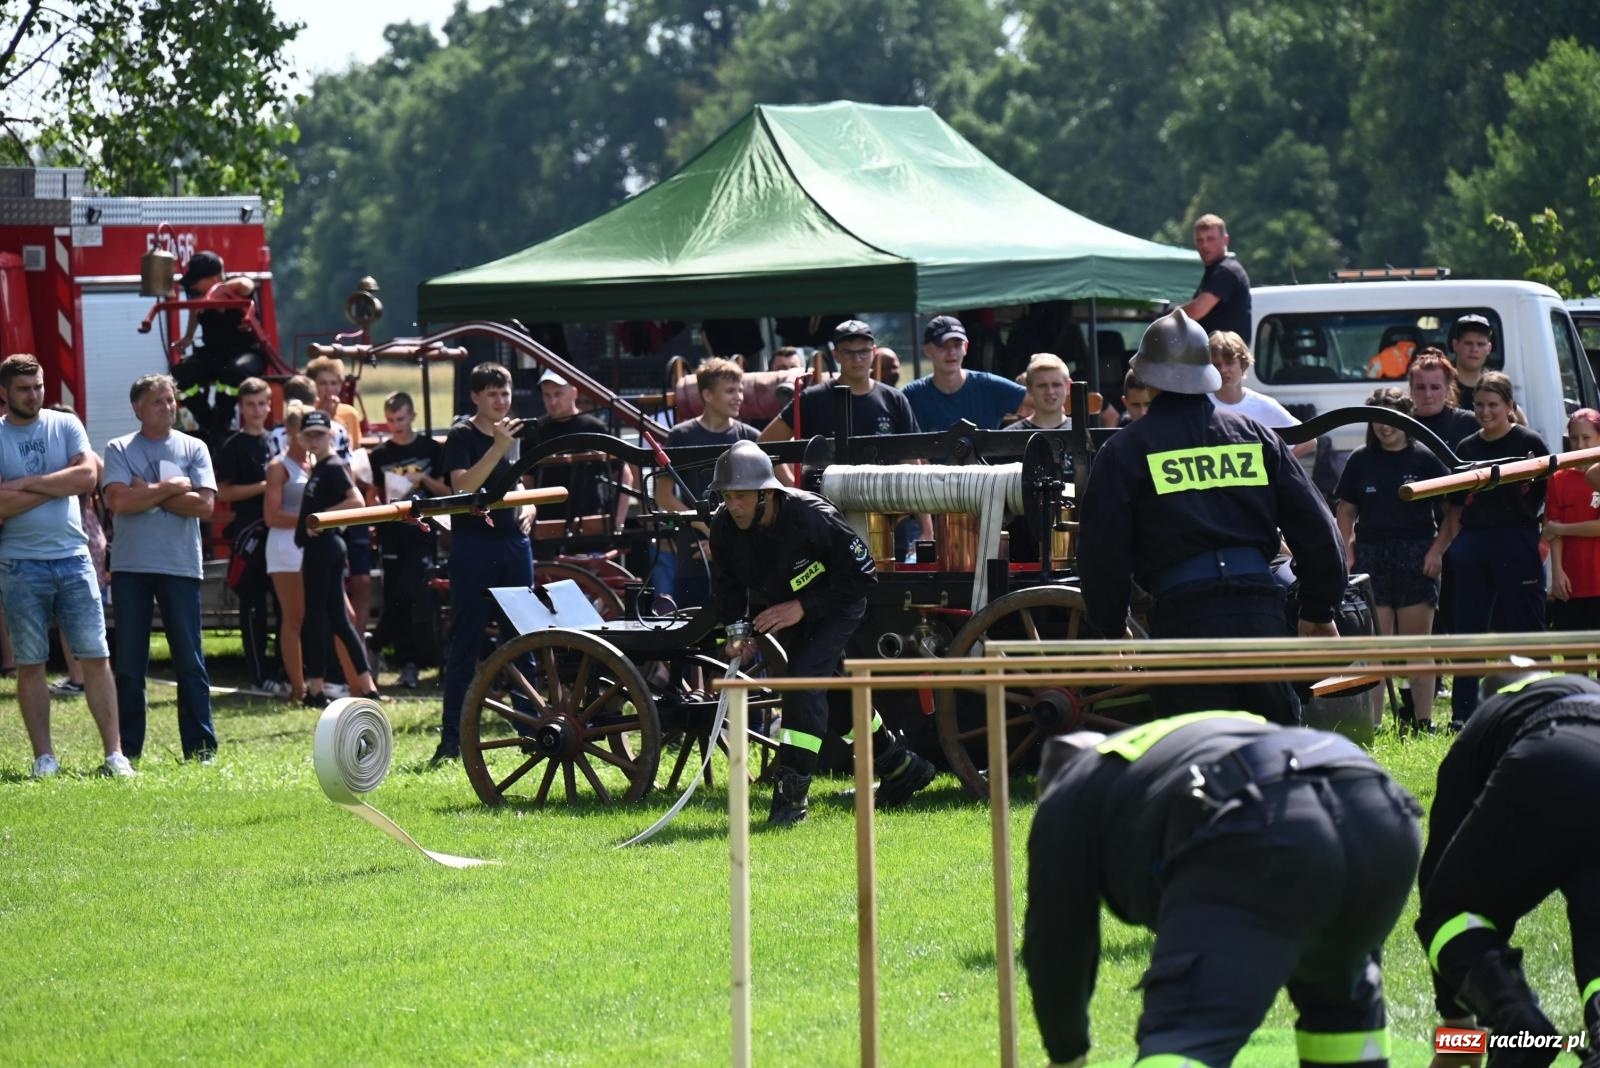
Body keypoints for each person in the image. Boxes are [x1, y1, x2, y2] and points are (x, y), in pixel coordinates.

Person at [1025, 713, 1422, 1068]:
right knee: (1341, 1014)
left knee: (1186, 1037)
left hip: (1258, 826)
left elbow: (1057, 940)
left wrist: (1067, 1052)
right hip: (1378, 808)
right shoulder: (1170, 740)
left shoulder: (1066, 798)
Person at [1077, 308, 1346, 725]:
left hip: (1184, 622)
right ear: (1208, 372)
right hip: (1260, 615)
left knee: (1196, 762)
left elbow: (1102, 553)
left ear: (1146, 378)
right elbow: (1318, 528)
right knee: (1278, 761)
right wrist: (1318, 609)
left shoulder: (1125, 451)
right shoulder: (1254, 435)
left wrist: (1111, 629)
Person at [710, 440, 935, 824]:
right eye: (728, 497)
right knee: (831, 691)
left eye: (742, 497)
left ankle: (791, 801)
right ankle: (900, 767)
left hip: (838, 605)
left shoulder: (813, 516)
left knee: (803, 685)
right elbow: (729, 588)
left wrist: (804, 607)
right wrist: (736, 634)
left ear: (767, 494)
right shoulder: (723, 528)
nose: (733, 506)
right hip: (790, 611)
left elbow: (863, 576)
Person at [1413, 671, 1600, 1066]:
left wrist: (1457, 1025)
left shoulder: (1480, 729)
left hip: (1552, 753)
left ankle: (1520, 1026)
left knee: (1446, 916)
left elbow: (1442, 886)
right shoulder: (1582, 689)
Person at [0, 355, 132, 778]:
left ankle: (114, 755)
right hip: (20, 564)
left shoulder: (65, 424)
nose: (34, 395)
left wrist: (20, 485)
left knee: (96, 655)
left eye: (38, 386)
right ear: (4, 393)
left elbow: (86, 479)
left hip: (74, 559)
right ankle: (45, 758)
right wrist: (56, 483)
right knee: (31, 663)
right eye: (24, 389)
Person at [103, 374, 219, 763]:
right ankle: (127, 752)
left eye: (170, 400)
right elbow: (119, 501)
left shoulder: (195, 447)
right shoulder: (118, 448)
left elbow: (204, 507)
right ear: (137, 408)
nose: (168, 407)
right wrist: (172, 489)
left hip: (180, 566)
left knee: (190, 661)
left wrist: (147, 492)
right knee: (131, 664)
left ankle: (201, 749)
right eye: (158, 401)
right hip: (131, 568)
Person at [1333, 388, 1453, 730]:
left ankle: (1423, 721)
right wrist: (1347, 552)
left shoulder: (1426, 459)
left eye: (1389, 420)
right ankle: (1374, 724)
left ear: (1405, 418)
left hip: (1417, 552)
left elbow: (1453, 511)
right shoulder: (1361, 459)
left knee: (1416, 647)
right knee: (1375, 648)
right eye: (1376, 421)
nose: (1383, 428)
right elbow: (1346, 510)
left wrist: (1437, 551)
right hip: (1373, 555)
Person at [435, 362, 536, 765]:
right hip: (474, 546)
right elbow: (463, 487)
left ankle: (531, 730)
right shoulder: (462, 435)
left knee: (522, 641)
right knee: (466, 644)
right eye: (493, 393)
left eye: (506, 392)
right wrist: (496, 446)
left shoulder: (510, 434)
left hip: (513, 543)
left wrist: (529, 505)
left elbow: (518, 482)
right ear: (475, 396)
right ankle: (452, 739)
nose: (501, 400)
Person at [1441, 372, 1548, 726]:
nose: (1486, 412)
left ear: (1509, 407)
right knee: (1468, 629)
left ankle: (1541, 702)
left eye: (1493, 405)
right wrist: (1455, 546)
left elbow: (1546, 497)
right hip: (1474, 541)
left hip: (1517, 538)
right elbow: (1454, 505)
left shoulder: (1529, 442)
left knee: (1526, 625)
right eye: (1479, 405)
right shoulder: (1467, 447)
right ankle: (1464, 713)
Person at [655, 358, 759, 610]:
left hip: (741, 554)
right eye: (730, 391)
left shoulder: (749, 437)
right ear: (708, 395)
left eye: (740, 390)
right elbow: (663, 496)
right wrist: (708, 529)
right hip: (694, 554)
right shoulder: (681, 435)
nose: (739, 397)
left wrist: (723, 540)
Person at [294, 410, 381, 707]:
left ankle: (316, 689)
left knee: (317, 619)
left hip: (325, 547)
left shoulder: (332, 466)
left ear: (330, 436)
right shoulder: (319, 468)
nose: (314, 440)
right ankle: (367, 687)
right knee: (339, 620)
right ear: (302, 438)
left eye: (320, 434)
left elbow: (356, 500)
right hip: (323, 548)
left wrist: (321, 520)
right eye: (310, 435)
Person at [368, 391, 447, 688]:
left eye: (400, 419)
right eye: (389, 420)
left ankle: (376, 644)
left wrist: (423, 480)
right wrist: (378, 505)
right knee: (397, 597)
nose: (395, 425)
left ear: (412, 416)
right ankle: (406, 661)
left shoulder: (431, 449)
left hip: (423, 532)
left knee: (412, 592)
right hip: (392, 532)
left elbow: (446, 490)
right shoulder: (380, 455)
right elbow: (372, 494)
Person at [215, 377, 288, 696]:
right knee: (254, 607)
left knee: (286, 608)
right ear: (241, 408)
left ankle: (286, 670)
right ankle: (259, 675)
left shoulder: (279, 441)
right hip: (250, 536)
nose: (257, 410)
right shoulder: (234, 446)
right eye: (250, 405)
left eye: (262, 404)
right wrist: (265, 486)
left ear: (270, 406)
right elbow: (223, 491)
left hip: (281, 532)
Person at [304, 356, 373, 640]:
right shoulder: (305, 415)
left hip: (348, 497)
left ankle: (358, 641)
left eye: (334, 383)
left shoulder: (349, 415)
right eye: (322, 383)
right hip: (321, 506)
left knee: (361, 579)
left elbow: (352, 458)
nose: (328, 390)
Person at [172, 250, 266, 440]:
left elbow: (246, 284)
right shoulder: (199, 295)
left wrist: (218, 292)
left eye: (197, 280)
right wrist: (188, 336)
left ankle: (222, 421)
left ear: (214, 278)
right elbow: (194, 310)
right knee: (179, 376)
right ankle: (209, 423)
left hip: (246, 353)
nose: (193, 286)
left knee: (232, 373)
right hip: (214, 354)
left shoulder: (237, 288)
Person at [527, 368, 633, 531]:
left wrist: (617, 522)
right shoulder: (535, 431)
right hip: (546, 528)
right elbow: (527, 483)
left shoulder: (594, 428)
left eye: (558, 394)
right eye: (547, 395)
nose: (552, 401)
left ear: (574, 393)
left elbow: (624, 475)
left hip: (592, 526)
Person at [902, 315, 1026, 432]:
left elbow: (1038, 402)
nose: (951, 352)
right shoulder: (911, 395)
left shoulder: (990, 386)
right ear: (927, 350)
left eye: (957, 345)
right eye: (942, 346)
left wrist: (1011, 439)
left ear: (966, 347)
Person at [265, 403, 314, 700]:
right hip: (285, 546)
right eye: (303, 432)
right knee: (293, 617)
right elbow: (271, 516)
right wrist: (312, 521)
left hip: (308, 545)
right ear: (291, 432)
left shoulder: (315, 462)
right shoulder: (278, 466)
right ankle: (298, 688)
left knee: (318, 614)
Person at [1209, 330, 1316, 458]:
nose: (1223, 370)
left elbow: (1309, 440)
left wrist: (1277, 467)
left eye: (1229, 362)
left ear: (1243, 363)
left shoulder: (1263, 405)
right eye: (1216, 365)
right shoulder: (1201, 405)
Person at [1544, 409, 1600, 633]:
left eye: (1586, 438)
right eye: (1574, 438)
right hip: (1570, 579)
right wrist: (1557, 571)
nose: (1580, 445)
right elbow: (1551, 529)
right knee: (1572, 653)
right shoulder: (1559, 478)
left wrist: (1561, 528)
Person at [1180, 212, 1252, 339]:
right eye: (1200, 240)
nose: (1204, 245)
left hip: (1226, 356)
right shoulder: (1215, 271)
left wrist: (1168, 317)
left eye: (1210, 239)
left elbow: (1197, 310)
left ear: (1225, 240)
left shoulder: (1226, 271)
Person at [1407, 350, 1480, 455]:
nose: (1428, 395)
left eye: (1435, 388)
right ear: (1411, 389)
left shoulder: (1471, 423)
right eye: (1420, 388)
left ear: (1447, 389)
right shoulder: (1402, 426)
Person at [1004, 354, 1071, 430]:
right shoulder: (1010, 435)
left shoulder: (1082, 433)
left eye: (1056, 385)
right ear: (1029, 389)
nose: (1050, 391)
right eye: (1042, 385)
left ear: (1068, 386)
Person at [1450, 314, 1495, 413]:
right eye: (1468, 343)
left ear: (1489, 348)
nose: (1474, 349)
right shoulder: (1442, 385)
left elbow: (1520, 423)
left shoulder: (1495, 385)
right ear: (1455, 345)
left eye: (1480, 344)